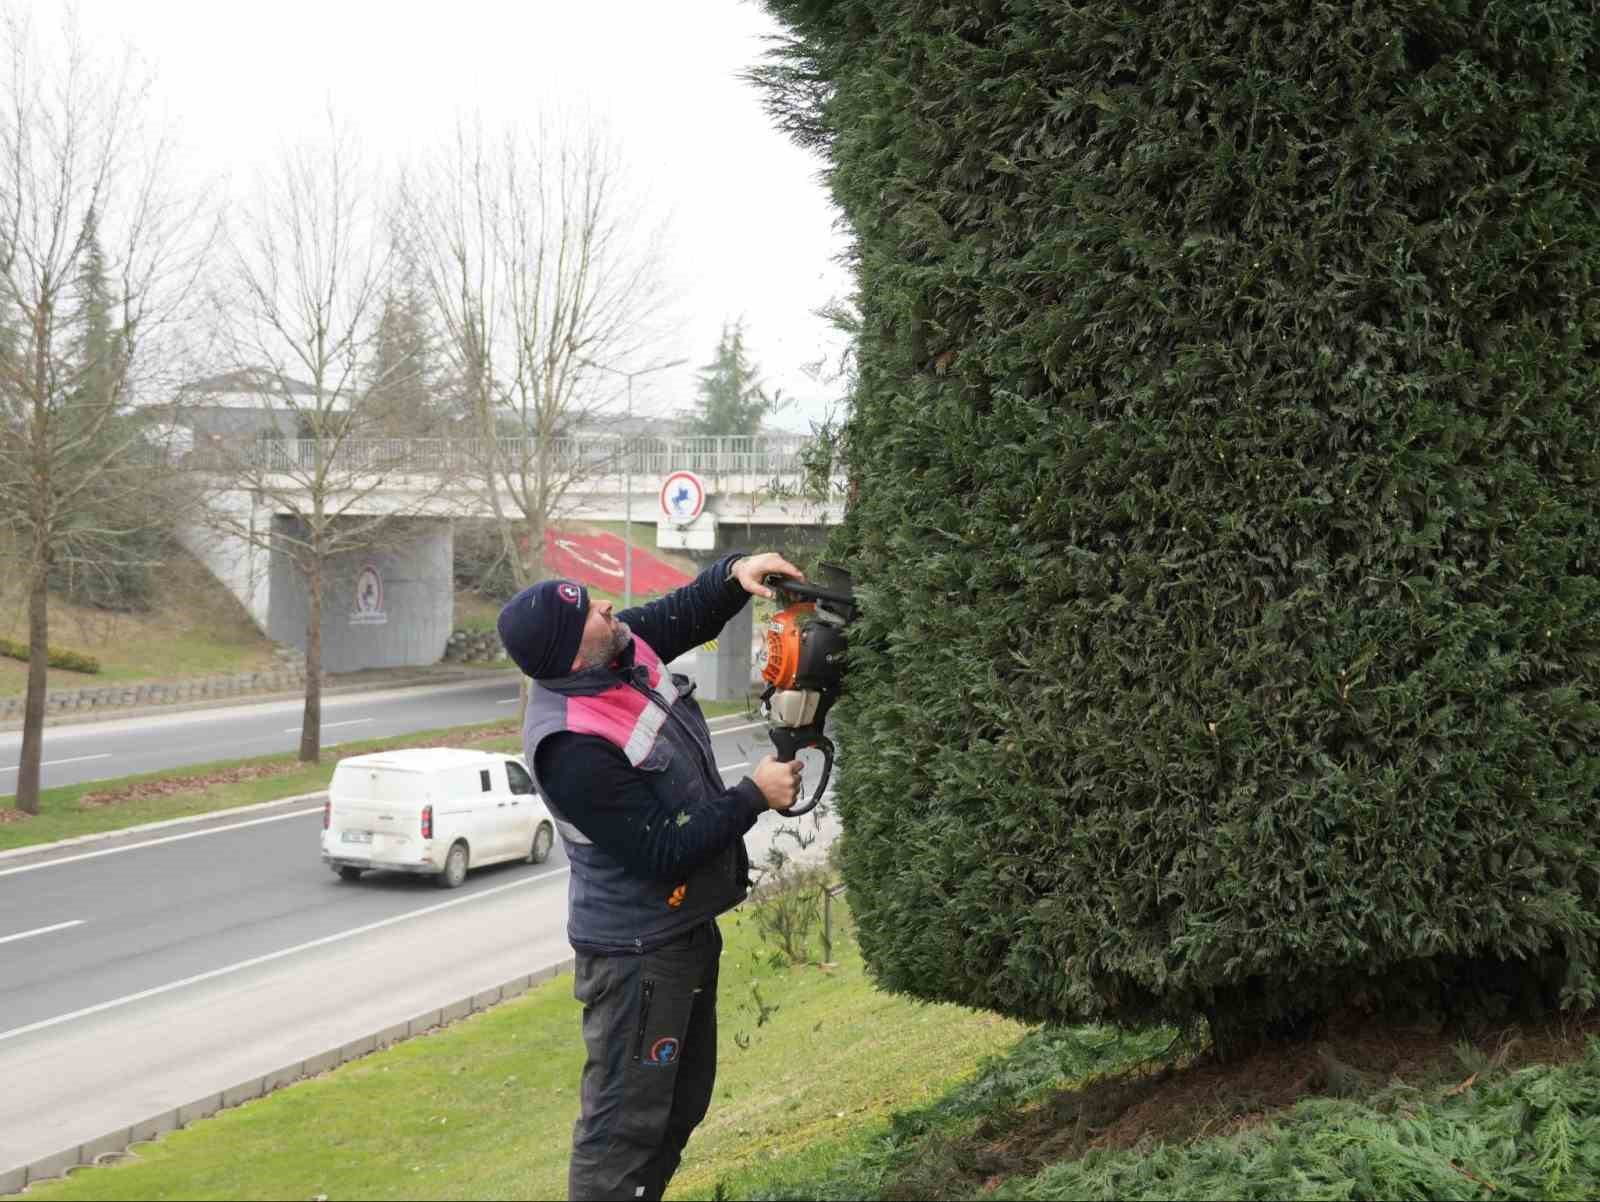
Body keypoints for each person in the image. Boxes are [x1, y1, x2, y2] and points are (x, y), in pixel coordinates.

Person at [497, 550, 807, 1202]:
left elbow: (680, 614)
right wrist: (754, 795)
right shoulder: (570, 747)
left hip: (683, 932)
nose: (606, 606)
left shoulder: (617, 650)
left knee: (680, 1106)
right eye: (588, 612)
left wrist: (732, 575)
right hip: (638, 958)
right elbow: (663, 851)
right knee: (623, 1135)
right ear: (570, 658)